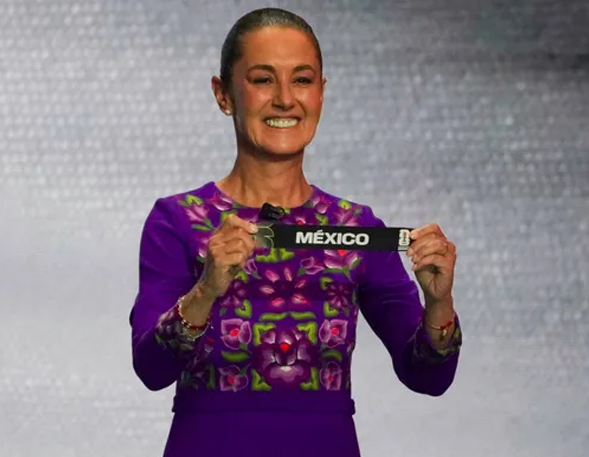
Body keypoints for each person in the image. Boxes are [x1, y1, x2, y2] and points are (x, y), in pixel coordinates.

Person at [129, 7, 462, 457]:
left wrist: (439, 302)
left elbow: (429, 377)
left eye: (302, 80)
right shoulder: (178, 220)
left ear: (321, 93)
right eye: (263, 80)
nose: (285, 99)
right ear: (224, 94)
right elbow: (151, 369)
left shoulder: (357, 227)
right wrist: (205, 291)